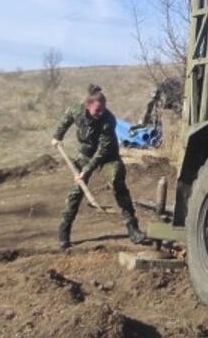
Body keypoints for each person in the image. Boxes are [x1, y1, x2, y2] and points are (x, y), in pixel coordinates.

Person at [51, 84, 148, 250]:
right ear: (87, 106)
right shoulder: (77, 110)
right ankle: (64, 230)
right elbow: (66, 119)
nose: (100, 113)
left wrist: (86, 171)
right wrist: (57, 136)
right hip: (85, 154)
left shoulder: (108, 120)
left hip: (107, 156)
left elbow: (102, 151)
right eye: (97, 110)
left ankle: (133, 228)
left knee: (117, 181)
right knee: (76, 191)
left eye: (103, 110)